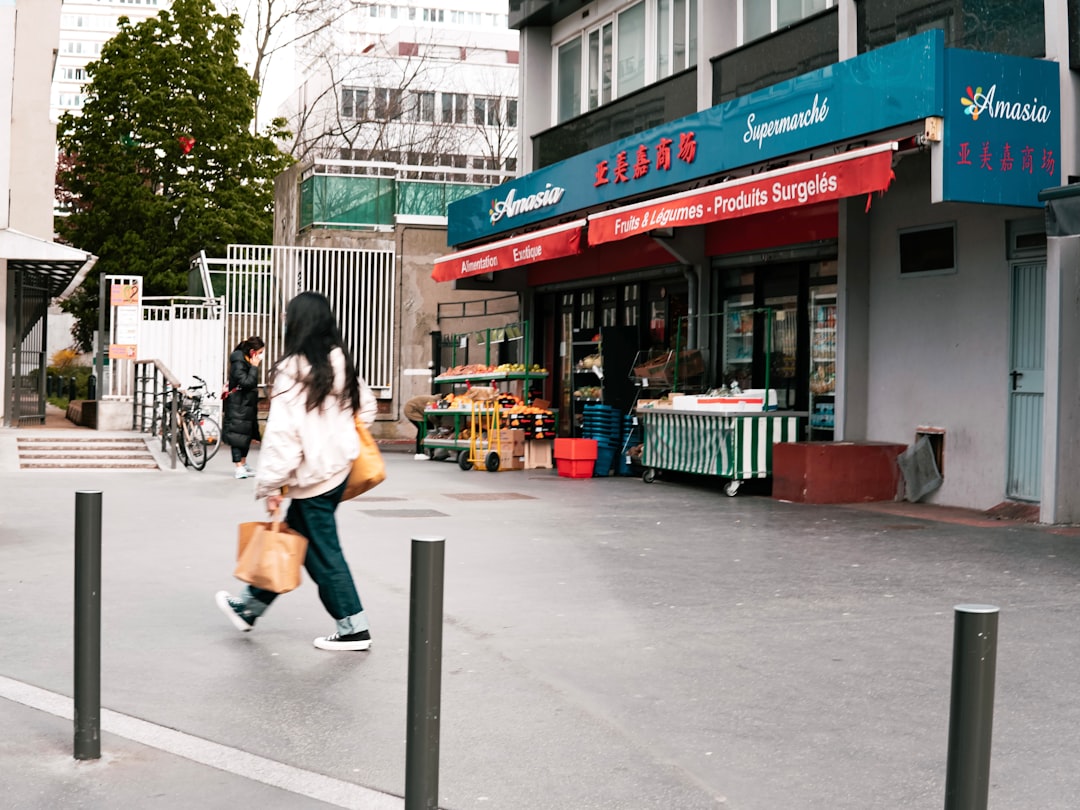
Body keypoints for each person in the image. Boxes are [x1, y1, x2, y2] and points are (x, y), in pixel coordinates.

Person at [215, 292, 377, 652]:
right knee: (295, 539)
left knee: (323, 553)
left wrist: (272, 484)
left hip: (312, 477)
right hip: (336, 472)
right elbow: (366, 409)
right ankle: (249, 608)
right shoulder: (341, 363)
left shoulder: (292, 371)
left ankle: (354, 629)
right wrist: (338, 439)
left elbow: (282, 436)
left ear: (297, 322)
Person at [223, 336, 265, 479]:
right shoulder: (239, 361)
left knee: (246, 435)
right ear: (253, 352)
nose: (261, 355)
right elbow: (247, 382)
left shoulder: (246, 359)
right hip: (238, 403)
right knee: (237, 435)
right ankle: (238, 467)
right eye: (260, 352)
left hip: (247, 403)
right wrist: (254, 367)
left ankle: (244, 463)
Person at [404, 394, 438, 459]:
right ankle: (419, 453)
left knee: (422, 429)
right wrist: (437, 423)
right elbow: (429, 413)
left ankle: (421, 451)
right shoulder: (433, 400)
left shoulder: (433, 398)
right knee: (422, 429)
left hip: (413, 410)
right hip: (412, 411)